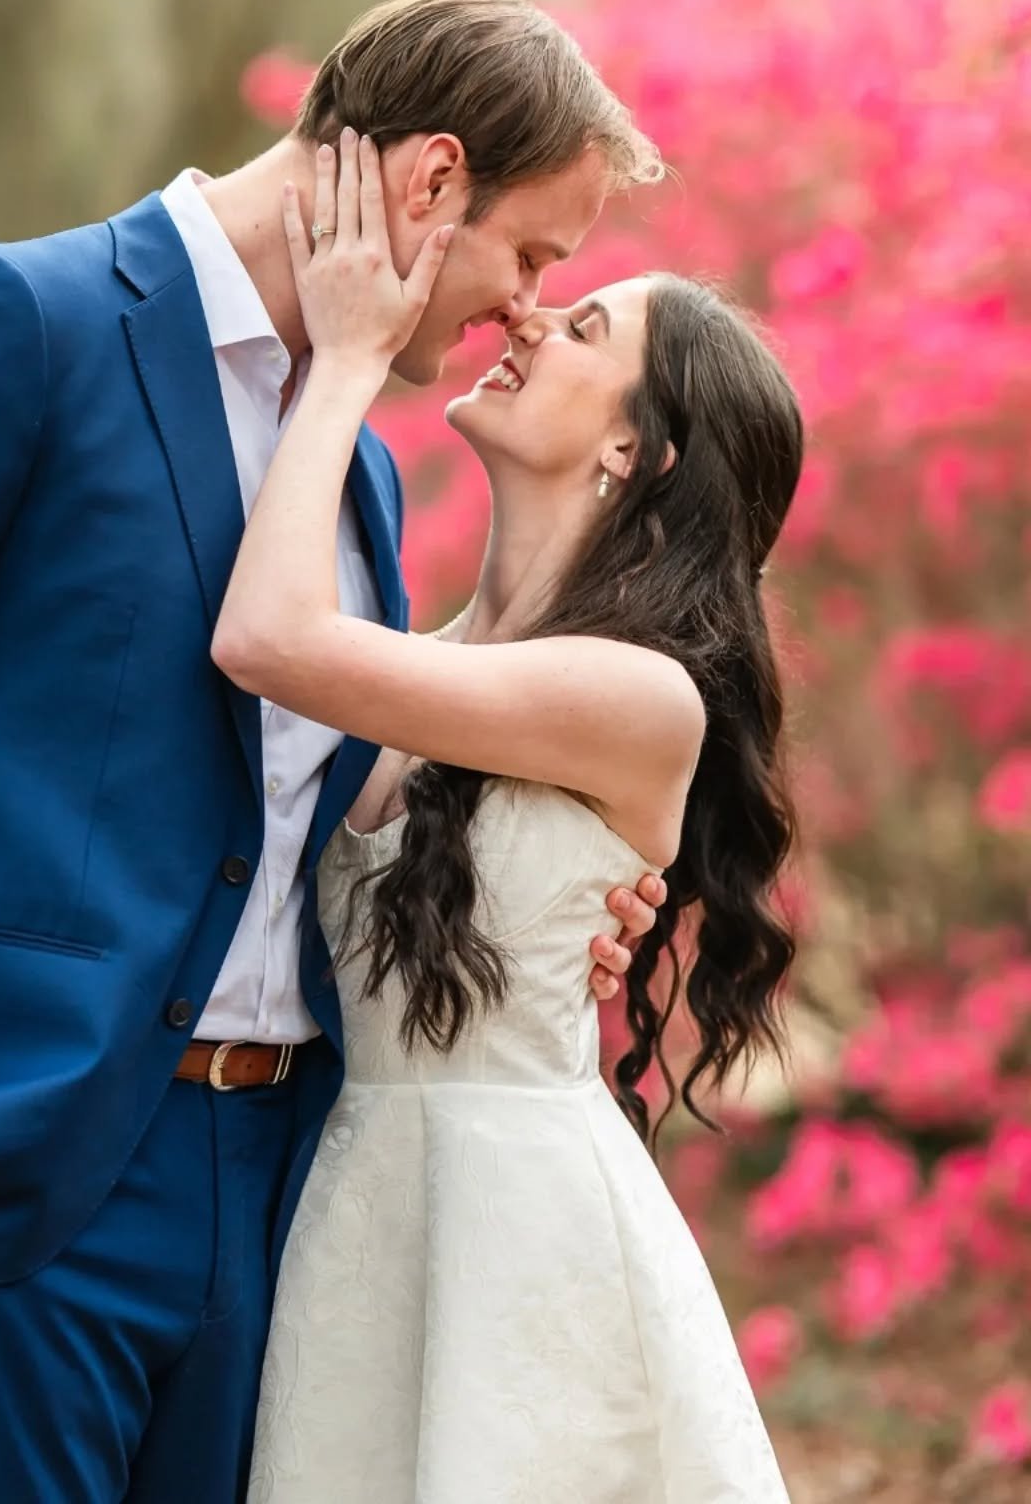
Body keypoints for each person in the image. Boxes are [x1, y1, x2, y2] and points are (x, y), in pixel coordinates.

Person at [0, 0, 670, 1504]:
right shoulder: (14, 326)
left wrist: (555, 891)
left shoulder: (359, 484)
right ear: (429, 181)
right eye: (532, 252)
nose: (529, 306)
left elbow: (309, 817)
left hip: (272, 1196)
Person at [214, 134, 802, 1502]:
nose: (532, 311)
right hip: (362, 1224)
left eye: (586, 322)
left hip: (529, 1252)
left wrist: (352, 357)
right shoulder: (419, 659)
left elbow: (265, 634)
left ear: (630, 448)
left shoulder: (640, 700)